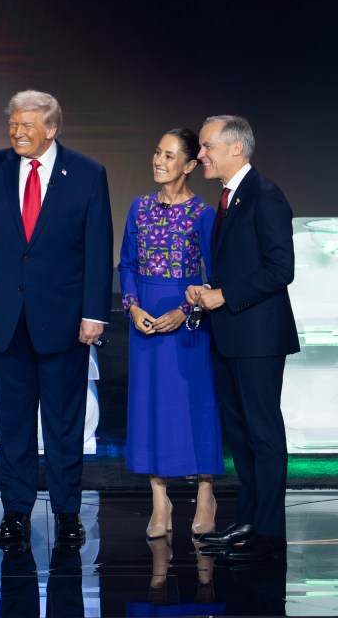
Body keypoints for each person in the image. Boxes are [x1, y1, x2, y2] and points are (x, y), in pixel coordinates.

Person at [0, 90, 113, 549]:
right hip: (7, 318)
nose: (17, 132)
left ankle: (67, 512)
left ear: (52, 129)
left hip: (65, 320)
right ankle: (15, 512)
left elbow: (96, 247)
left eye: (27, 125)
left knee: (63, 424)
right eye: (13, 124)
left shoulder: (88, 174)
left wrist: (95, 313)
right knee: (11, 423)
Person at [186, 114, 299, 563]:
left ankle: (269, 532)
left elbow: (280, 269)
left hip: (258, 337)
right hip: (231, 335)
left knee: (264, 435)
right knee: (242, 434)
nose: (200, 155)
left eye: (208, 147)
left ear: (237, 148)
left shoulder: (265, 196)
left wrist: (223, 295)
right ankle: (249, 521)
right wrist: (208, 293)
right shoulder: (230, 198)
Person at [119, 128, 222, 539]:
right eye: (157, 152)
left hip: (188, 325)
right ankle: (160, 500)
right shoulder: (138, 207)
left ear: (190, 164)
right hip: (145, 320)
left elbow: (214, 277)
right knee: (150, 409)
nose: (158, 160)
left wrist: (184, 309)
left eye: (168, 155)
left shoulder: (204, 214)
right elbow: (126, 264)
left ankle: (205, 495)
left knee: (196, 405)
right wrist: (132, 306)